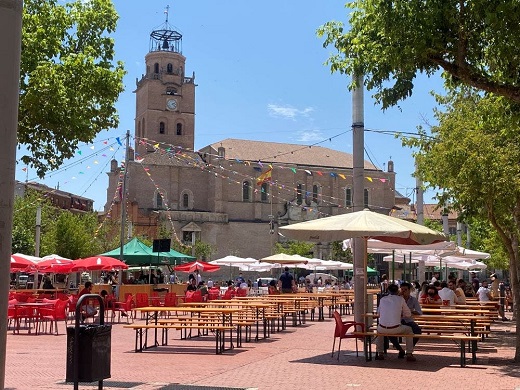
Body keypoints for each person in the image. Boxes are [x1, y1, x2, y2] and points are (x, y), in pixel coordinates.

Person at [375, 283, 416, 362]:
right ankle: (409, 353)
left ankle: (380, 352)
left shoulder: (382, 299)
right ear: (397, 291)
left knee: (378, 331)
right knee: (409, 330)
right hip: (395, 328)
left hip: (382, 327)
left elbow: (378, 314)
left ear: (388, 291)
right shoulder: (400, 299)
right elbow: (408, 314)